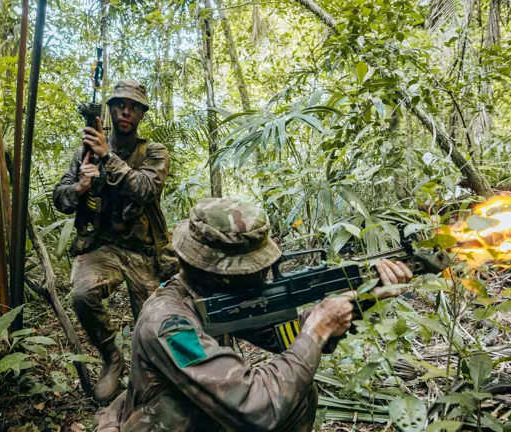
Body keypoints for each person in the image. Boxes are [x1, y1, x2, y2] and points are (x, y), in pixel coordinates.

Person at [95, 198, 413, 431]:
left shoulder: (213, 296)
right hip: (170, 423)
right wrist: (317, 329)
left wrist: (360, 301)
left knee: (299, 394)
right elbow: (254, 407)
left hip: (205, 415)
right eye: (253, 270)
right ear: (221, 275)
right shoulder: (168, 321)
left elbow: (283, 334)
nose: (262, 277)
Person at [53, 79, 176, 401]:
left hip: (143, 252)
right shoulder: (85, 152)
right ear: (109, 110)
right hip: (101, 247)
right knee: (82, 294)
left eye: (134, 107)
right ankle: (111, 359)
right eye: (120, 104)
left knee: (153, 323)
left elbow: (146, 189)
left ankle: (148, 374)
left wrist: (108, 157)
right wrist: (79, 187)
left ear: (142, 115)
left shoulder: (153, 152)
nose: (126, 111)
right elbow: (60, 197)